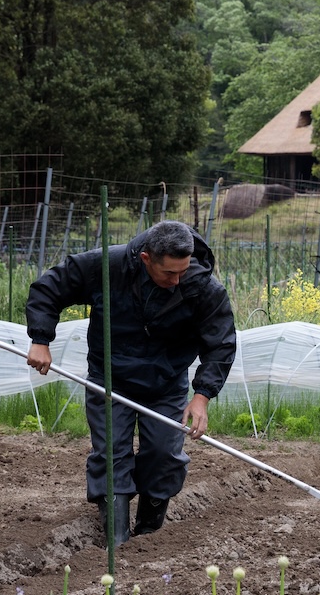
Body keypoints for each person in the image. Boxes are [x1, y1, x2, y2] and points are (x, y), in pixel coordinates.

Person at [25, 219, 237, 545]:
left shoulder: (202, 286)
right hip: (110, 378)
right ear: (146, 259)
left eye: (183, 271)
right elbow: (50, 286)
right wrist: (41, 338)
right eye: (169, 274)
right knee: (112, 454)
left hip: (166, 382)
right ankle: (118, 540)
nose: (177, 280)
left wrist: (202, 396)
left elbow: (221, 343)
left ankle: (148, 537)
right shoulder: (108, 266)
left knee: (164, 455)